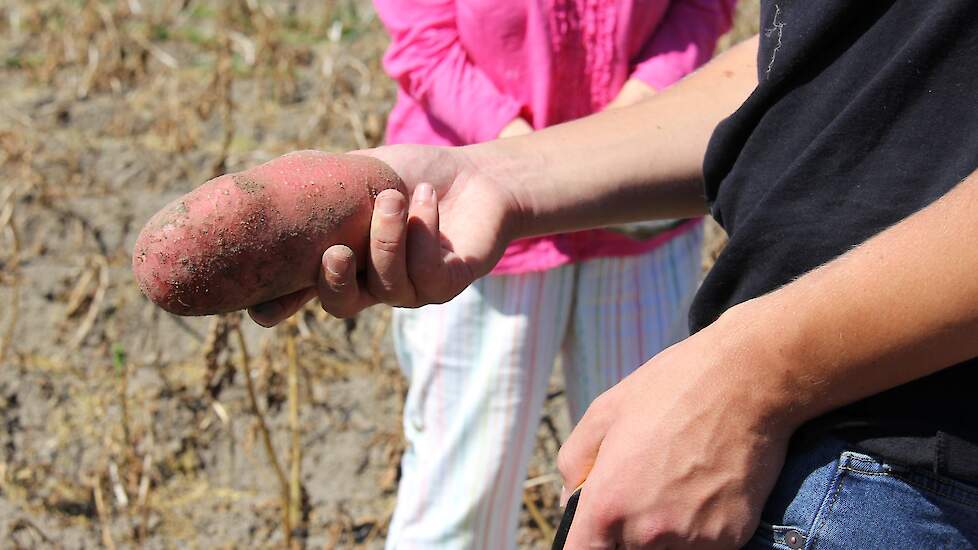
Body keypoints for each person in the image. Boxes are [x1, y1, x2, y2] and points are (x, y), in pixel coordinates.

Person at [251, 1, 978, 547]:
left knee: (612, 478)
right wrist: (499, 166)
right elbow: (835, 53)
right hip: (488, 236)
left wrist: (752, 379)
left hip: (901, 460)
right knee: (463, 482)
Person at [370, 0, 733, 547]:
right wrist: (520, 163)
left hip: (639, 211)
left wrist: (634, 117)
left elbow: (702, 8)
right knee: (461, 495)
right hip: (472, 228)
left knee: (635, 485)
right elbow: (424, 41)